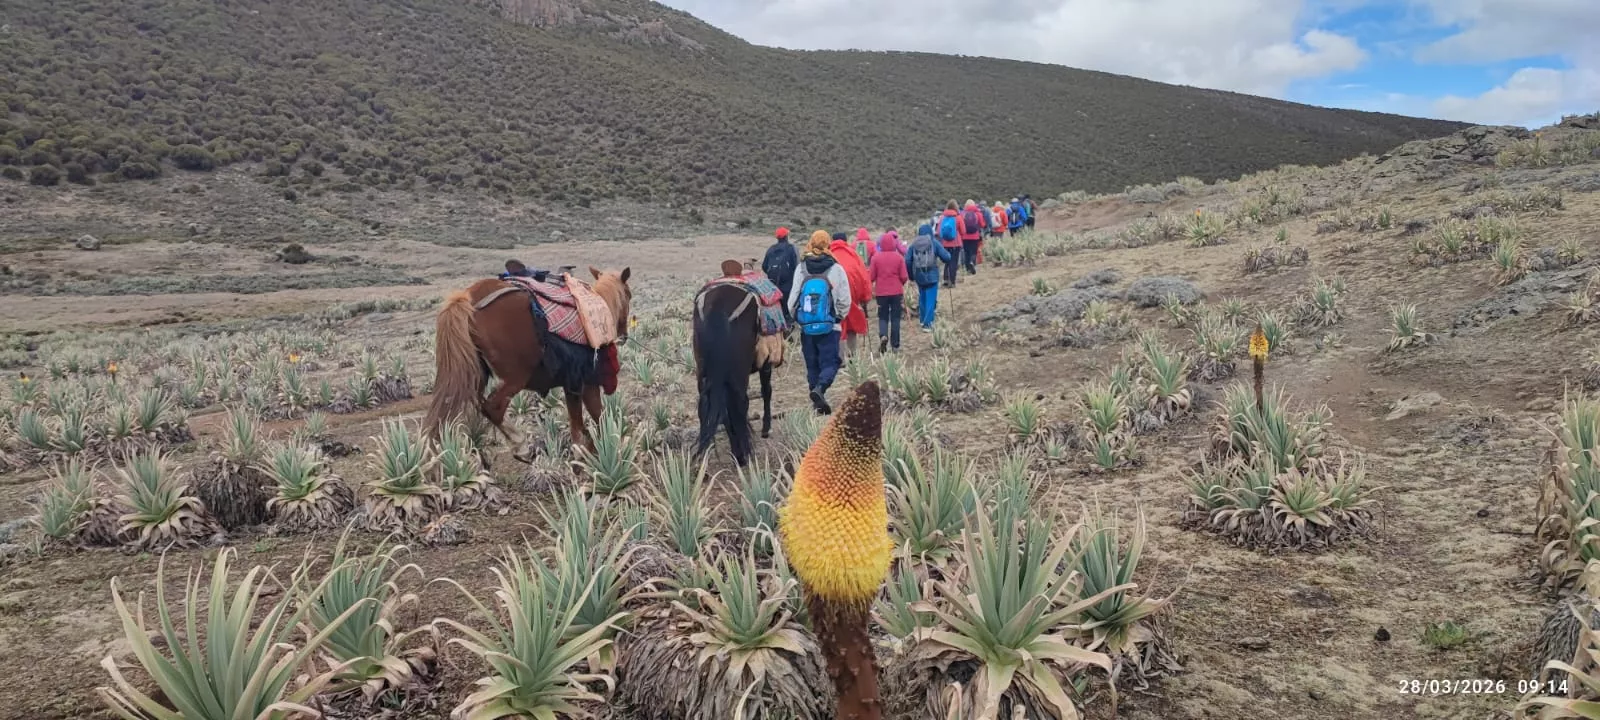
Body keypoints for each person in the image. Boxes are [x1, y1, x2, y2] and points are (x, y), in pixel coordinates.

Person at [790, 231, 852, 414]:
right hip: (829, 326)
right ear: (828, 245)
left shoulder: (801, 268)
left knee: (812, 364)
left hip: (807, 327)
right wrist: (838, 317)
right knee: (832, 361)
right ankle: (821, 389)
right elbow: (845, 299)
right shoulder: (836, 269)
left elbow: (792, 299)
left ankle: (816, 401)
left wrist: (799, 319)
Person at [829, 231, 872, 360]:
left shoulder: (829, 255)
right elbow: (863, 276)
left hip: (834, 293)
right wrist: (865, 297)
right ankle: (853, 354)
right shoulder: (853, 254)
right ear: (846, 240)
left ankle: (840, 357)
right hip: (852, 292)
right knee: (852, 322)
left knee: (839, 323)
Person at [869, 228, 909, 353]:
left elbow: (871, 277)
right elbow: (904, 276)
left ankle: (883, 335)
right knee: (896, 318)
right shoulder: (898, 257)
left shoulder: (875, 258)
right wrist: (900, 284)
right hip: (896, 291)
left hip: (881, 292)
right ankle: (895, 345)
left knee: (883, 316)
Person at [907, 223, 952, 331]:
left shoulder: (914, 244)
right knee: (931, 299)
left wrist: (911, 275)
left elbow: (907, 260)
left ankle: (922, 320)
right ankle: (928, 324)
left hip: (919, 275)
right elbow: (946, 257)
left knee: (922, 297)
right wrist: (948, 259)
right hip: (932, 274)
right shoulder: (934, 242)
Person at [762, 227, 800, 319]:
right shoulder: (792, 248)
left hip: (773, 284)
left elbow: (764, 266)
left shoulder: (771, 249)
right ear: (787, 236)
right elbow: (797, 266)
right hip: (788, 284)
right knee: (787, 306)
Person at [936, 201, 963, 288]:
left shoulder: (942, 217)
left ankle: (946, 280)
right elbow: (963, 231)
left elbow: (939, 231)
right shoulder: (958, 217)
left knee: (947, 262)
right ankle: (952, 281)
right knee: (953, 263)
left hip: (945, 244)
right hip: (956, 243)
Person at [959, 200, 986, 276]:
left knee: (966, 252)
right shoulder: (978, 213)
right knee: (974, 251)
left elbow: (959, 225)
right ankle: (972, 263)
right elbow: (982, 224)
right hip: (975, 236)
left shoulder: (962, 213)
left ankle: (968, 269)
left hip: (964, 236)